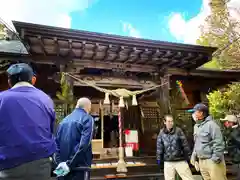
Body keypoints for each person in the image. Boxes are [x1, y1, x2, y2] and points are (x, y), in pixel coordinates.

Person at [0, 63, 56, 179]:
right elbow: (51, 131)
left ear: (9, 81)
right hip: (41, 165)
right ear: (33, 80)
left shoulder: (1, 98)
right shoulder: (46, 99)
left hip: (8, 165)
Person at [54, 97, 94, 180]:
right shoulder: (87, 119)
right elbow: (84, 145)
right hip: (79, 168)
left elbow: (55, 145)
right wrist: (69, 164)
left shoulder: (63, 121)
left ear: (77, 105)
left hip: (62, 169)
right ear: (88, 108)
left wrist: (60, 164)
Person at [190, 103, 227, 180]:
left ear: (201, 113)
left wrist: (215, 158)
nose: (193, 114)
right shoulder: (196, 126)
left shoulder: (212, 125)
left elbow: (219, 142)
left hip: (212, 161)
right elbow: (197, 143)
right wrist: (194, 156)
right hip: (202, 161)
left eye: (195, 112)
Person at [156, 115, 194, 180]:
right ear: (164, 122)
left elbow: (185, 145)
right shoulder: (161, 132)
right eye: (169, 121)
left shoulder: (178, 131)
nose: (171, 123)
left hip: (180, 160)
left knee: (188, 178)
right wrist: (159, 159)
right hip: (168, 161)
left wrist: (189, 157)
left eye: (172, 121)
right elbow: (159, 147)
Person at [221, 115, 240, 179]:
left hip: (237, 160)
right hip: (234, 159)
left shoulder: (236, 132)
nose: (224, 123)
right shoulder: (231, 131)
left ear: (231, 122)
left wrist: (227, 148)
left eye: (226, 122)